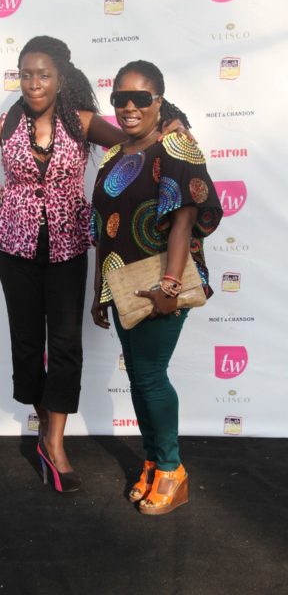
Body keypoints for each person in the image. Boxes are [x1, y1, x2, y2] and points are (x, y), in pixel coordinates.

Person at [0, 36, 189, 494]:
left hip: (68, 247)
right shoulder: (4, 126)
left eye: (43, 75)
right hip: (15, 248)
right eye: (26, 75)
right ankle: (44, 427)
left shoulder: (82, 123)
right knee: (26, 344)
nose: (34, 83)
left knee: (64, 346)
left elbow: (137, 143)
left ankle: (55, 445)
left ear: (60, 80)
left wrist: (171, 124)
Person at [91, 60, 223, 514]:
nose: (129, 107)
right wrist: (100, 291)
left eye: (140, 98)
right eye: (120, 99)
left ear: (158, 101)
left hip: (162, 281)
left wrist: (169, 286)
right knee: (140, 377)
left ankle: (172, 470)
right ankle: (152, 462)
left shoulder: (176, 147)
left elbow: (184, 220)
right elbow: (105, 229)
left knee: (150, 376)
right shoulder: (114, 155)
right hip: (122, 282)